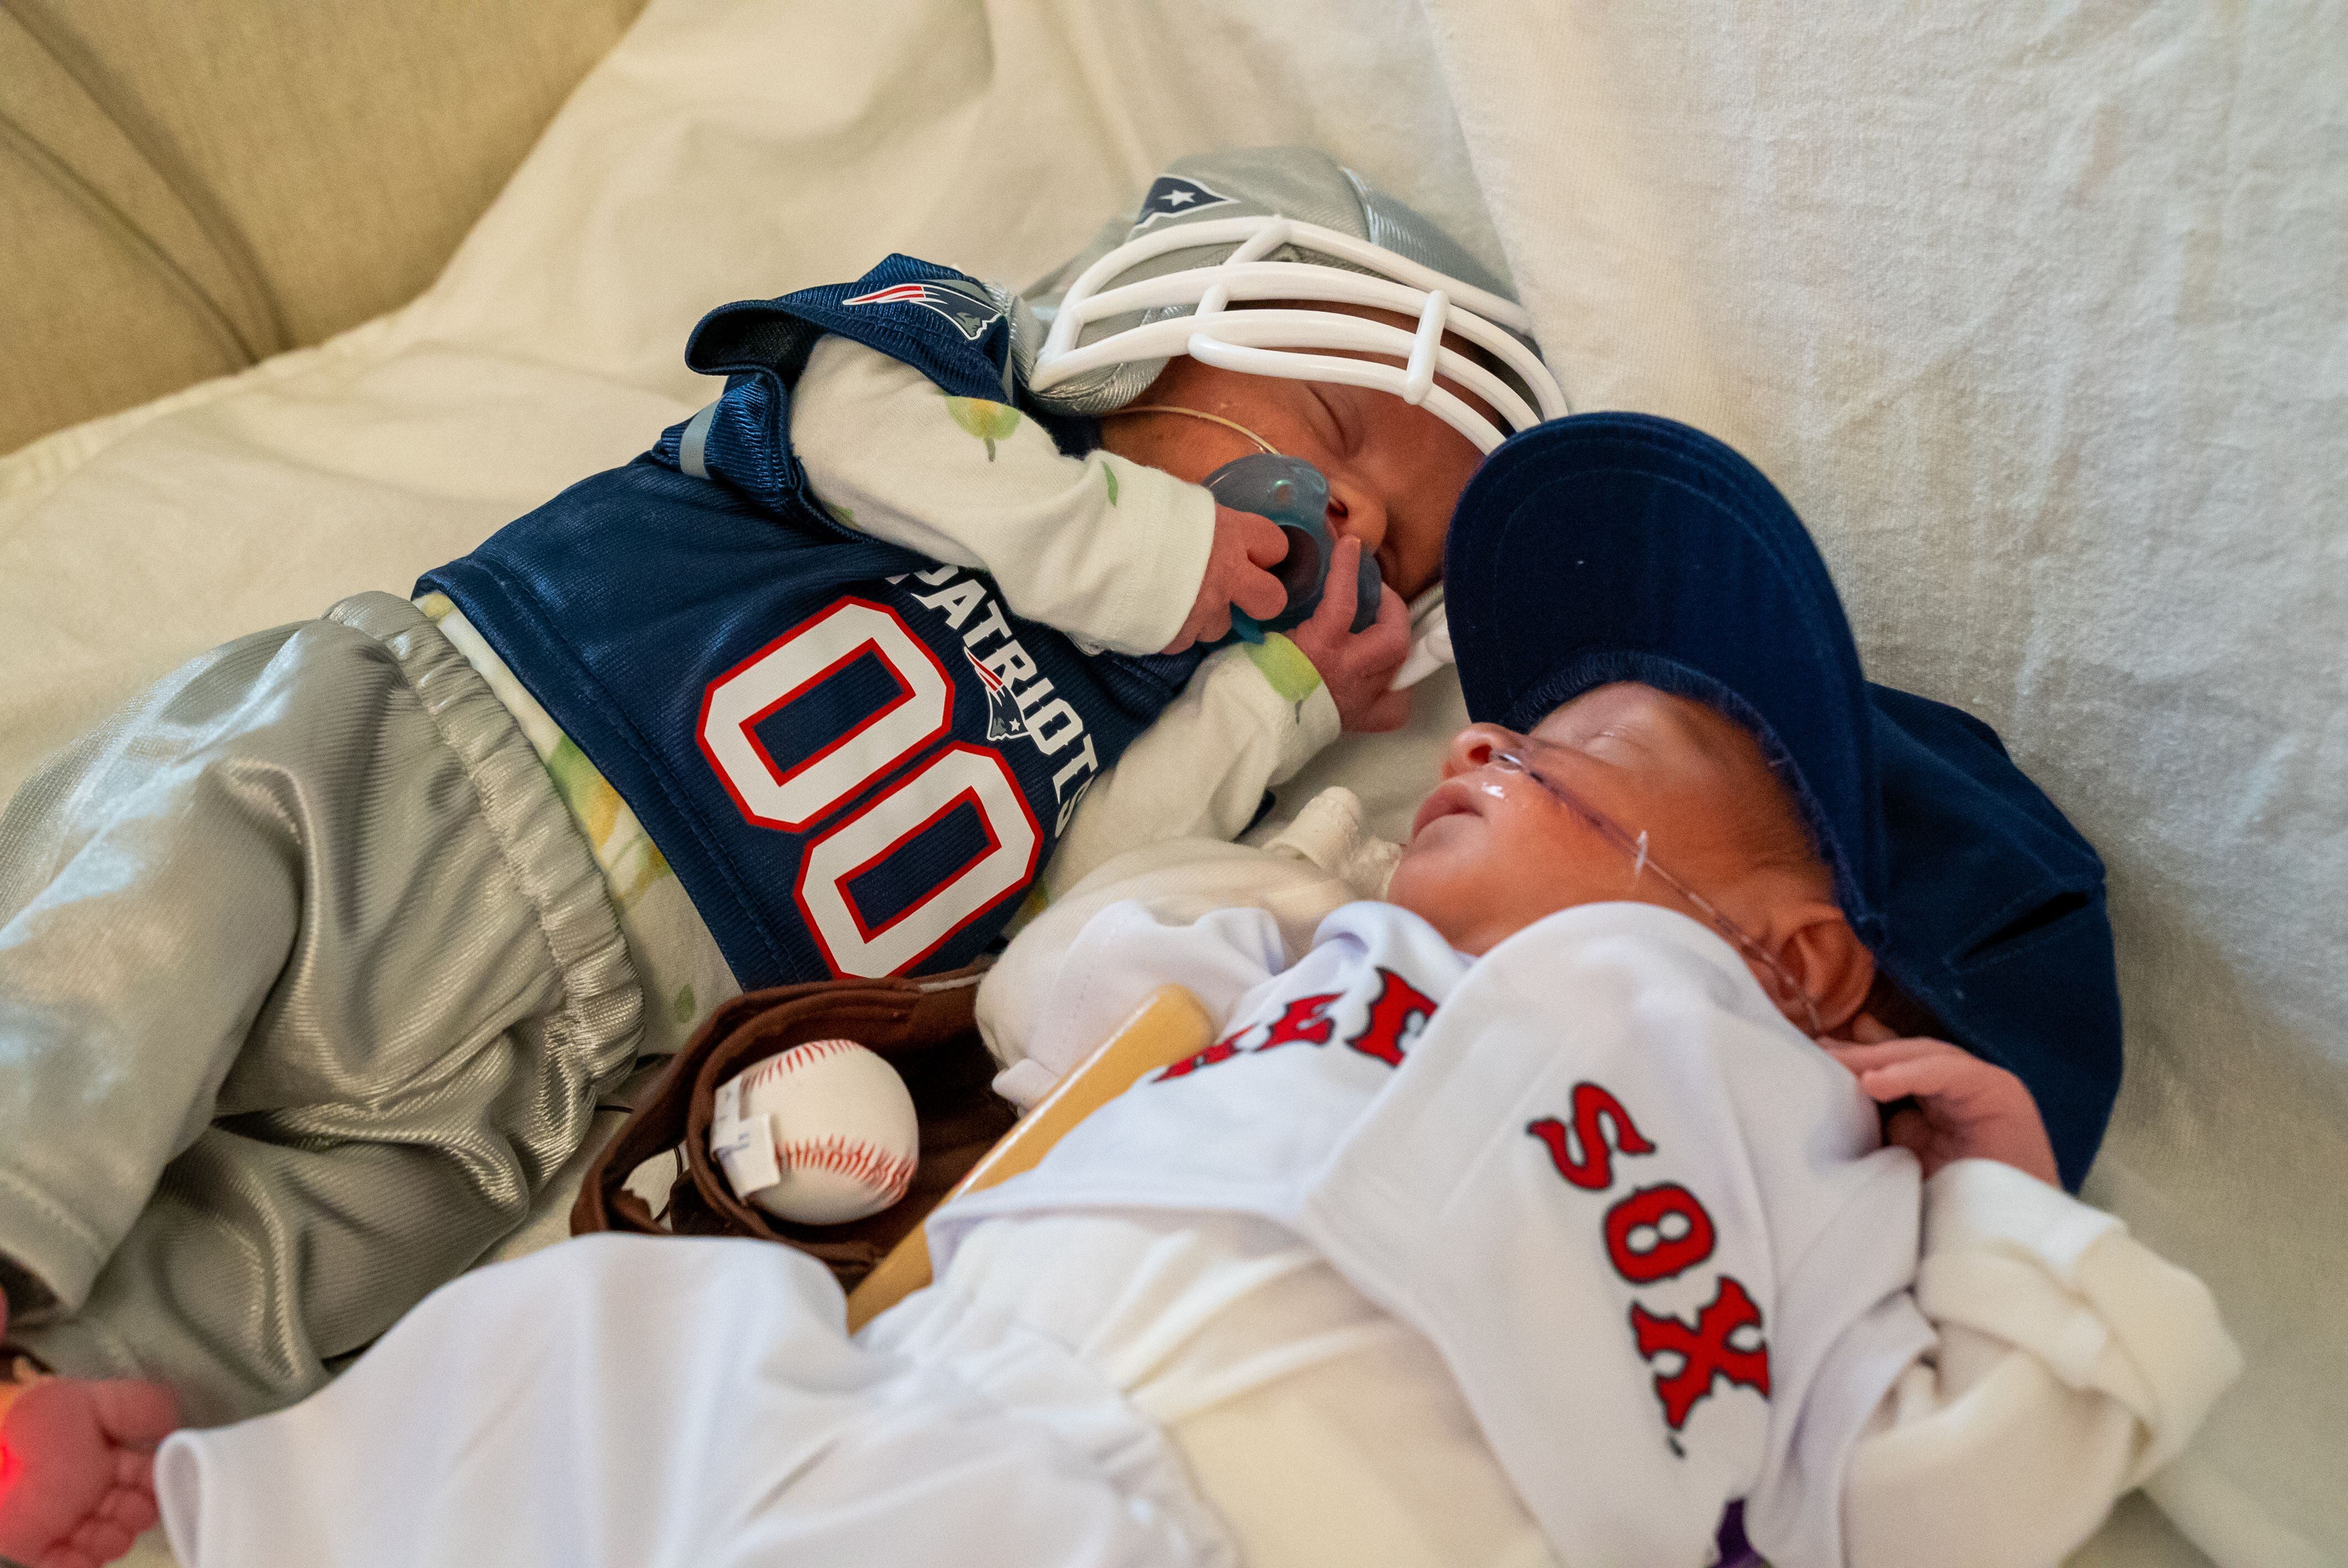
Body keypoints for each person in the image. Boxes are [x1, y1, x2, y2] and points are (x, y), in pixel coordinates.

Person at [129, 416, 2231, 1568]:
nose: (1482, 744)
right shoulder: (1348, 971)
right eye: (1501, 726)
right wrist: (1280, 907)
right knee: (624, 1335)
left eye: (1577, 754)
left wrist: (2016, 1222)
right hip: (953, 1396)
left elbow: (1940, 1497)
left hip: (1250, 1519)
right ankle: (212, 1502)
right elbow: (1076, 999)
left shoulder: (1814, 1185)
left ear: (1800, 959)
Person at [0, 147, 1558, 1560]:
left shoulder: (1150, 701)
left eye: (1397, 545)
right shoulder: (965, 392)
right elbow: (843, 419)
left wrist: (1266, 706)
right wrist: (1142, 556)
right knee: (138, 938)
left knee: (299, 1288)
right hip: (441, 771)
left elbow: (1074, 910)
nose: (1348, 506)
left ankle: (53, 1427)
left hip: (592, 1063)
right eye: (1335, 428)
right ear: (1152, 327)